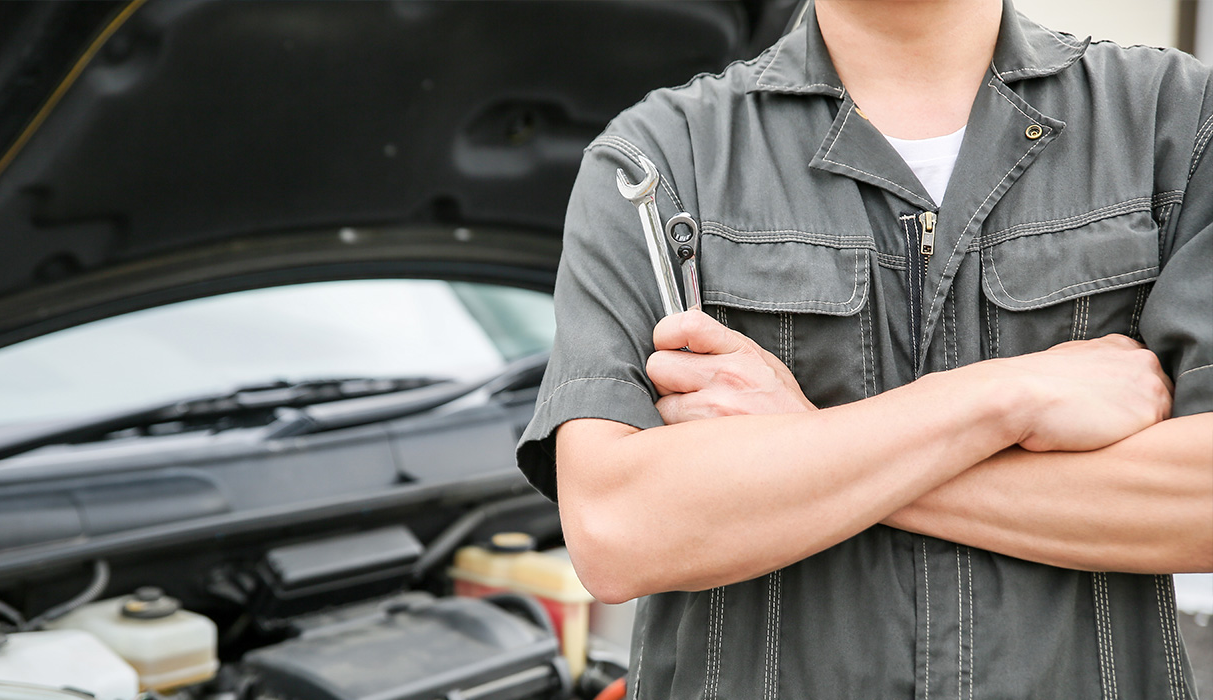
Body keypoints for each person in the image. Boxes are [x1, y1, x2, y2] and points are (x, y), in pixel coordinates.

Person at [517, 0, 1212, 697]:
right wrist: (1006, 399)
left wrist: (802, 448)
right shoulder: (661, 158)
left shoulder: (1175, 122)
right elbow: (618, 530)